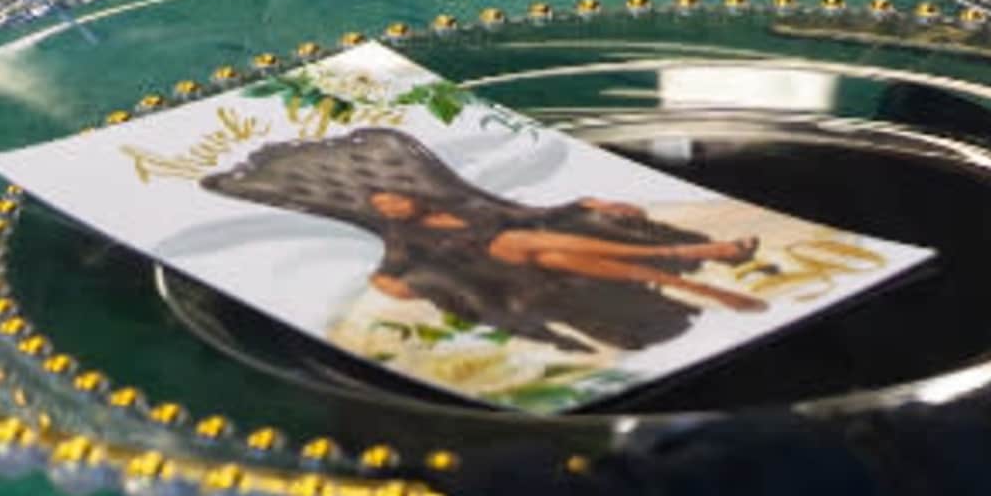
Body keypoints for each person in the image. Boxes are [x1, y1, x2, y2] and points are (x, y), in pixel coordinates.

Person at [202, 128, 763, 356]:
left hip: (540, 240)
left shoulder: (466, 203)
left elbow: (530, 212)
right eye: (387, 206)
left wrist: (589, 204)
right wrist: (387, 281)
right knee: (526, 248)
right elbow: (395, 265)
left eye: (398, 197)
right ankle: (685, 261)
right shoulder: (402, 236)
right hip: (508, 265)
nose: (397, 205)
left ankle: (684, 262)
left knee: (532, 243)